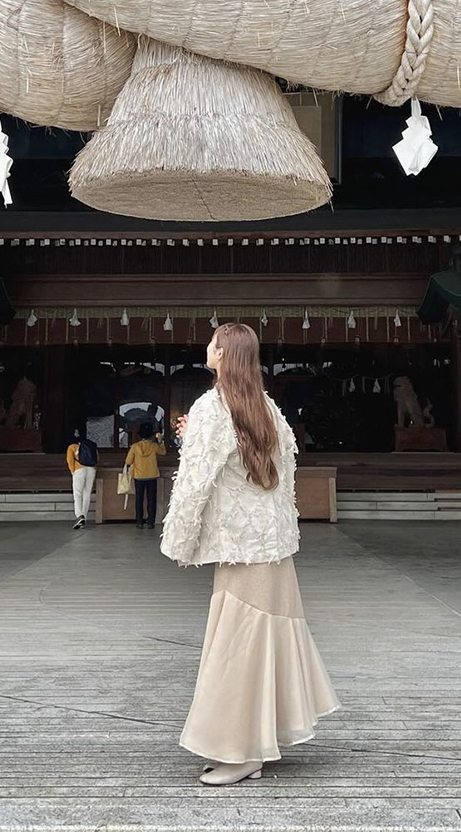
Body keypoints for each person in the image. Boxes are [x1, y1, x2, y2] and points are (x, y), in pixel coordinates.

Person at [161, 323, 339, 787]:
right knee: (261, 644)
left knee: (238, 649)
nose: (206, 346)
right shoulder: (267, 407)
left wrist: (177, 540)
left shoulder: (210, 406)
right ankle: (255, 743)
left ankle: (241, 752)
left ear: (221, 353)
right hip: (273, 546)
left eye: (212, 341)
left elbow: (195, 481)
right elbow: (284, 470)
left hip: (241, 549)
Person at [126, 421, 166, 529]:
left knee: (139, 499)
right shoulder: (154, 446)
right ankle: (150, 522)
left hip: (139, 476)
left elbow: (128, 461)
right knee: (151, 499)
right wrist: (161, 441)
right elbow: (163, 452)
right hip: (152, 475)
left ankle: (139, 521)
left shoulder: (135, 447)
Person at [65, 429, 97, 530]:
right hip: (91, 470)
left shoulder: (72, 447)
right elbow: (97, 458)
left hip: (79, 470)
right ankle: (84, 518)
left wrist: (73, 471)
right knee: (87, 494)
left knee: (78, 494)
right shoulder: (90, 446)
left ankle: (79, 516)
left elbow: (70, 461)